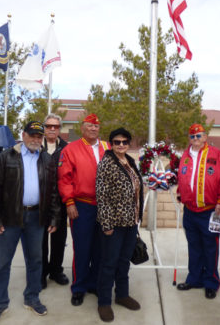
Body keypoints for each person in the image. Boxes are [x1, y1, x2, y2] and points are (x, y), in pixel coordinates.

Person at [0, 121, 61, 324]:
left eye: (39, 136)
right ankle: (0, 303)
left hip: (36, 218)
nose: (36, 139)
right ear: (24, 135)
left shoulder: (46, 159)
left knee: (35, 261)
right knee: (3, 263)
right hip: (10, 218)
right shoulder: (6, 157)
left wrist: (54, 217)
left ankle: (32, 297)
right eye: (32, 135)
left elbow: (53, 191)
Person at [58, 113, 109, 306]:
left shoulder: (107, 147)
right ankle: (79, 287)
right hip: (82, 205)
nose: (93, 129)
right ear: (82, 128)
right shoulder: (71, 149)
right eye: (89, 126)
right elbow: (64, 178)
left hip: (104, 206)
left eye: (96, 126)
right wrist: (69, 202)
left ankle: (94, 283)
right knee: (82, 248)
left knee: (100, 249)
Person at [95, 127, 144, 322]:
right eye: (117, 142)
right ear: (111, 144)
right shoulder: (106, 163)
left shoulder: (129, 161)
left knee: (124, 261)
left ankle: (122, 294)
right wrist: (107, 224)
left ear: (129, 143)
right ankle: (104, 302)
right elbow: (102, 196)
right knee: (109, 263)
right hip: (114, 224)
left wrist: (137, 217)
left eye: (124, 142)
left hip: (131, 222)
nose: (121, 145)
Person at [176, 123, 220, 299]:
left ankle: (211, 282)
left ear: (205, 137)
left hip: (210, 210)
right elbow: (183, 177)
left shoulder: (216, 154)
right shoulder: (185, 155)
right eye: (192, 136)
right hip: (190, 210)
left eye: (198, 136)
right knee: (194, 247)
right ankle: (194, 279)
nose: (195, 139)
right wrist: (180, 193)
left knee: (210, 248)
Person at [41, 113, 69, 288]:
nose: (52, 129)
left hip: (60, 201)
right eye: (49, 126)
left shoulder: (67, 148)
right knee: (40, 240)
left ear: (59, 129)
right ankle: (42, 272)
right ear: (44, 128)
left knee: (59, 239)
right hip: (40, 201)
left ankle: (56, 271)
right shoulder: (36, 146)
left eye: (56, 126)